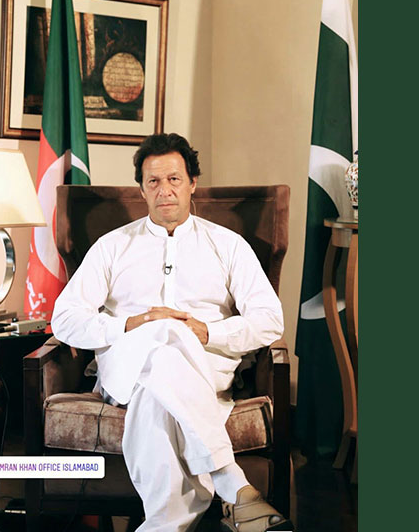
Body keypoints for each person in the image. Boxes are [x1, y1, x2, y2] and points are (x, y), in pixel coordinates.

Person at [51, 133, 291, 532]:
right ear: (142, 190)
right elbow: (64, 319)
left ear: (192, 183)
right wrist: (131, 324)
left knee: (155, 399)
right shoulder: (112, 247)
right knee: (163, 334)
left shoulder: (227, 245)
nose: (165, 190)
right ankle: (231, 482)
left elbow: (269, 320)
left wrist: (206, 332)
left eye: (174, 179)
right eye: (154, 181)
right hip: (126, 369)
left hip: (205, 368)